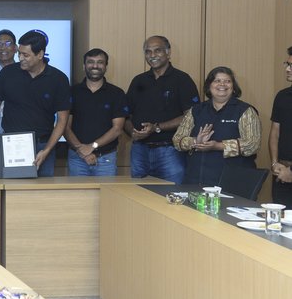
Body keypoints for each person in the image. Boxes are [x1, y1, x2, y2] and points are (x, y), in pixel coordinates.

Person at [0, 29, 71, 176]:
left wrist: (47, 150)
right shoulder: (7, 73)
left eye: (26, 55)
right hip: (13, 144)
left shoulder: (58, 79)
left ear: (40, 54)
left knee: (43, 189)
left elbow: (62, 119)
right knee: (13, 188)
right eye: (19, 54)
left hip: (43, 145)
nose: (20, 58)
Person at [125, 35, 199, 184]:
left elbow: (191, 116)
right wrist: (133, 132)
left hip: (170, 150)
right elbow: (126, 115)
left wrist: (156, 127)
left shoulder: (182, 79)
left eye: (157, 50)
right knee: (138, 195)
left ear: (168, 52)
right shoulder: (138, 80)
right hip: (139, 150)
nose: (152, 55)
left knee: (172, 194)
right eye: (148, 51)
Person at [173, 66, 261, 186]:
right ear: (209, 86)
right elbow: (177, 140)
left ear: (233, 87)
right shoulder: (196, 110)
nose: (222, 84)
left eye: (227, 81)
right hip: (196, 180)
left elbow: (253, 144)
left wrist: (218, 146)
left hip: (232, 182)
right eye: (217, 81)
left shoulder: (245, 111)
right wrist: (195, 141)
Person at [65, 48, 128, 176]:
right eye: (90, 62)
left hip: (106, 159)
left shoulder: (117, 93)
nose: (95, 66)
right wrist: (81, 150)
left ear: (106, 67)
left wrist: (92, 146)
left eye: (100, 62)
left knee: (107, 191)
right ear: (84, 66)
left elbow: (117, 129)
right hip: (77, 158)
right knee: (77, 191)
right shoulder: (71, 92)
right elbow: (65, 126)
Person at [270, 46, 292, 205]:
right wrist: (274, 163)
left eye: (291, 66)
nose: (288, 69)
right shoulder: (282, 96)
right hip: (281, 171)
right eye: (287, 64)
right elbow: (275, 133)